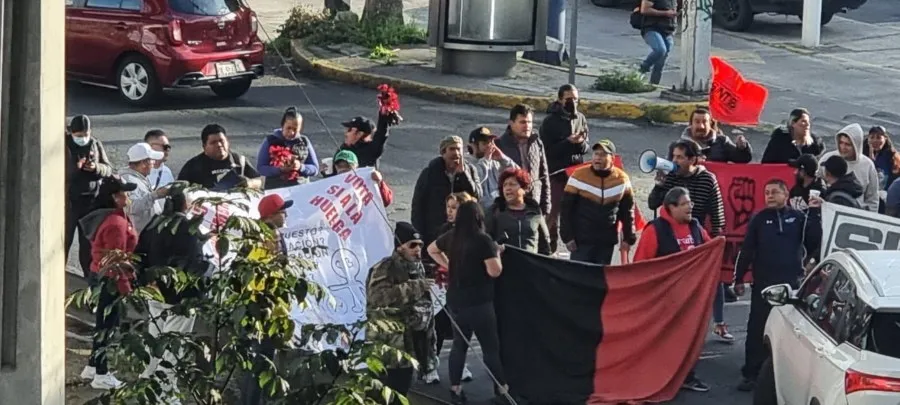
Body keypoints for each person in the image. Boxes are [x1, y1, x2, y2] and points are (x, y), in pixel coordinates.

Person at [733, 179, 822, 392]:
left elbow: (815, 241)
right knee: (757, 328)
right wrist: (738, 278)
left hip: (793, 284)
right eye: (766, 192)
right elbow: (747, 250)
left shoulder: (799, 218)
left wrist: (815, 214)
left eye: (774, 192)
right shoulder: (758, 219)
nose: (770, 196)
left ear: (786, 195)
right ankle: (752, 373)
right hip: (764, 283)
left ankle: (792, 373)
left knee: (792, 330)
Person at [427, 201, 510, 405]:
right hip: (480, 301)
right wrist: (497, 252)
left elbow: (431, 249)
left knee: (459, 345)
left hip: (455, 300)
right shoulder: (484, 240)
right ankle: (501, 389)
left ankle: (455, 389)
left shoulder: (451, 236)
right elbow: (494, 271)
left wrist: (450, 265)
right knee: (490, 347)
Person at [135, 184, 210, 402]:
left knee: (154, 337)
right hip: (181, 298)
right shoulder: (190, 228)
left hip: (156, 292)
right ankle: (166, 395)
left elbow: (138, 255)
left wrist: (146, 281)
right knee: (173, 348)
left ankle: (147, 383)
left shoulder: (154, 224)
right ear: (186, 204)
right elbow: (196, 264)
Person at [632, 187, 711, 392]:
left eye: (690, 203)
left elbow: (709, 251)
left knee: (689, 339)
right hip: (664, 299)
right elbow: (640, 264)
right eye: (684, 204)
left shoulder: (696, 227)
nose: (690, 207)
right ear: (671, 207)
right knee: (664, 340)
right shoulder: (655, 230)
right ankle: (659, 379)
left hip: (691, 297)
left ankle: (687, 376)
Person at [649, 139, 729, 335]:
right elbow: (652, 204)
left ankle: (718, 321)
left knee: (713, 278)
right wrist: (659, 186)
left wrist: (715, 241)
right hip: (672, 232)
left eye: (680, 157)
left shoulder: (707, 179)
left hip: (697, 231)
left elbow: (717, 210)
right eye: (673, 156)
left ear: (693, 159)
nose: (675, 161)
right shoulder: (670, 177)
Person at [78, 178, 140, 390]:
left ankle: (93, 366)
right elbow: (116, 261)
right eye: (124, 194)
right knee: (107, 327)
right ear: (114, 198)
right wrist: (125, 287)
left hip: (101, 276)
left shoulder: (111, 218)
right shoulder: (117, 224)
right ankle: (102, 373)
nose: (128, 197)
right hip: (110, 280)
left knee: (102, 324)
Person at [365, 222, 435, 403]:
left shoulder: (416, 267)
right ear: (399, 246)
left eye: (420, 245)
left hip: (409, 341)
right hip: (388, 345)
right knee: (387, 392)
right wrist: (415, 286)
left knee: (403, 388)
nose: (417, 250)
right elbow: (377, 297)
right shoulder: (386, 267)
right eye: (412, 245)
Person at [240, 194, 293, 405]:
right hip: (261, 311)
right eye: (282, 211)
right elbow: (255, 278)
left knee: (263, 363)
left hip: (273, 310)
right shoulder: (259, 239)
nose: (285, 215)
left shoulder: (275, 235)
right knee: (258, 363)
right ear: (270, 215)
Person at [424, 191, 477, 385]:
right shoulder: (444, 230)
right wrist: (450, 266)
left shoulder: (476, 231)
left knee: (460, 328)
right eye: (448, 207)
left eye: (454, 208)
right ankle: (431, 366)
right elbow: (432, 250)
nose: (450, 211)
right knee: (437, 326)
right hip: (443, 284)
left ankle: (460, 364)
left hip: (465, 287)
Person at [560, 140, 636, 265]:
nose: (597, 158)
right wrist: (567, 237)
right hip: (581, 241)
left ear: (612, 158)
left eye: (602, 155)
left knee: (600, 280)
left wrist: (629, 238)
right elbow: (565, 209)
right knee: (579, 279)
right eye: (596, 154)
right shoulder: (578, 175)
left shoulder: (622, 179)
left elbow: (628, 211)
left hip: (606, 242)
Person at [540, 84, 590, 254]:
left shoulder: (580, 118)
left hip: (576, 173)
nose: (573, 103)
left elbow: (586, 147)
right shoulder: (550, 122)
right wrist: (567, 142)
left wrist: (580, 143)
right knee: (552, 215)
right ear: (560, 100)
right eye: (569, 99)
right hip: (556, 174)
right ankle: (547, 249)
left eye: (575, 99)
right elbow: (546, 151)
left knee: (577, 213)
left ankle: (576, 248)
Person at [66, 114, 114, 280]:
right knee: (63, 243)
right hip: (69, 203)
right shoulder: (64, 146)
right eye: (79, 136)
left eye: (86, 135)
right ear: (71, 132)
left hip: (90, 203)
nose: (83, 139)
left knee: (88, 247)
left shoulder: (95, 144)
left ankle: (89, 280)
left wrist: (96, 168)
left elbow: (108, 169)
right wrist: (75, 168)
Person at [411, 135, 481, 249]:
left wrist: (463, 175)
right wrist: (419, 235)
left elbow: (477, 195)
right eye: (452, 149)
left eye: (459, 149)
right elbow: (418, 205)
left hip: (462, 232)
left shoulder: (470, 171)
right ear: (443, 153)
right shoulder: (430, 173)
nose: (456, 153)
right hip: (435, 232)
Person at [495, 104, 551, 216]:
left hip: (534, 202)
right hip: (510, 205)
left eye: (529, 122)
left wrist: (546, 204)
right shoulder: (500, 145)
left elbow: (544, 175)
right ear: (511, 123)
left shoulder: (536, 143)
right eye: (522, 122)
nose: (527, 126)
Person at [178, 124, 263, 191]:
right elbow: (179, 190)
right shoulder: (193, 166)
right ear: (204, 147)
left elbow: (261, 181)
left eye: (221, 141)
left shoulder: (240, 161)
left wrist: (250, 183)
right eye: (213, 142)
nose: (219, 145)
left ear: (227, 141)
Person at [486, 168, 551, 254]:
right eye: (504, 185)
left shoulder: (535, 211)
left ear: (524, 188)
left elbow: (545, 245)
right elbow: (485, 242)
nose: (507, 188)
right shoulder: (495, 211)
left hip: (531, 265)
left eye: (512, 184)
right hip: (505, 265)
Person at [818, 123, 880, 211]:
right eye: (841, 143)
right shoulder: (827, 159)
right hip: (828, 211)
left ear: (856, 145)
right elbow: (815, 183)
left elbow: (872, 199)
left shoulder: (868, 165)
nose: (843, 147)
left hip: (856, 214)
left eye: (848, 144)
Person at [257, 107, 319, 189]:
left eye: (295, 129)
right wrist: (279, 169)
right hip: (275, 188)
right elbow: (261, 168)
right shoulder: (270, 141)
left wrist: (300, 167)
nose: (291, 132)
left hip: (300, 189)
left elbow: (315, 169)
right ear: (282, 125)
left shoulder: (304, 141)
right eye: (288, 128)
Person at [669, 108, 752, 163]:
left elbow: (743, 159)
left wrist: (743, 148)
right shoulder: (677, 146)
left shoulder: (722, 142)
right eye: (697, 122)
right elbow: (670, 170)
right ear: (691, 124)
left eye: (704, 122)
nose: (701, 126)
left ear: (710, 123)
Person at [119, 142, 169, 233]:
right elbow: (131, 207)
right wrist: (156, 194)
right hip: (141, 236)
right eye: (152, 160)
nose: (154, 163)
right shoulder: (129, 181)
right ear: (143, 163)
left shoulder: (139, 177)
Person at [467, 126, 519, 210]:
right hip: (481, 211)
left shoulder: (495, 162)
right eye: (484, 143)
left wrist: (503, 159)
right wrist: (486, 160)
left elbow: (518, 174)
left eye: (491, 142)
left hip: (499, 209)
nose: (489, 146)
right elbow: (475, 180)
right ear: (473, 146)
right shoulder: (467, 163)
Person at [761, 108, 826, 163]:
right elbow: (766, 162)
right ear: (793, 123)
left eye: (808, 122)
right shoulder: (779, 139)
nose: (807, 125)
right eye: (803, 121)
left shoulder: (814, 143)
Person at [637, 0, 676, 85]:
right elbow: (644, 10)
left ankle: (654, 84)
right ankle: (642, 69)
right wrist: (665, 13)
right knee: (660, 50)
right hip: (652, 28)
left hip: (667, 30)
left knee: (660, 62)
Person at [862, 125, 900, 208]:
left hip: (885, 198)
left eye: (879, 137)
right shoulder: (862, 155)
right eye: (872, 137)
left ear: (885, 139)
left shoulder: (892, 157)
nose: (875, 141)